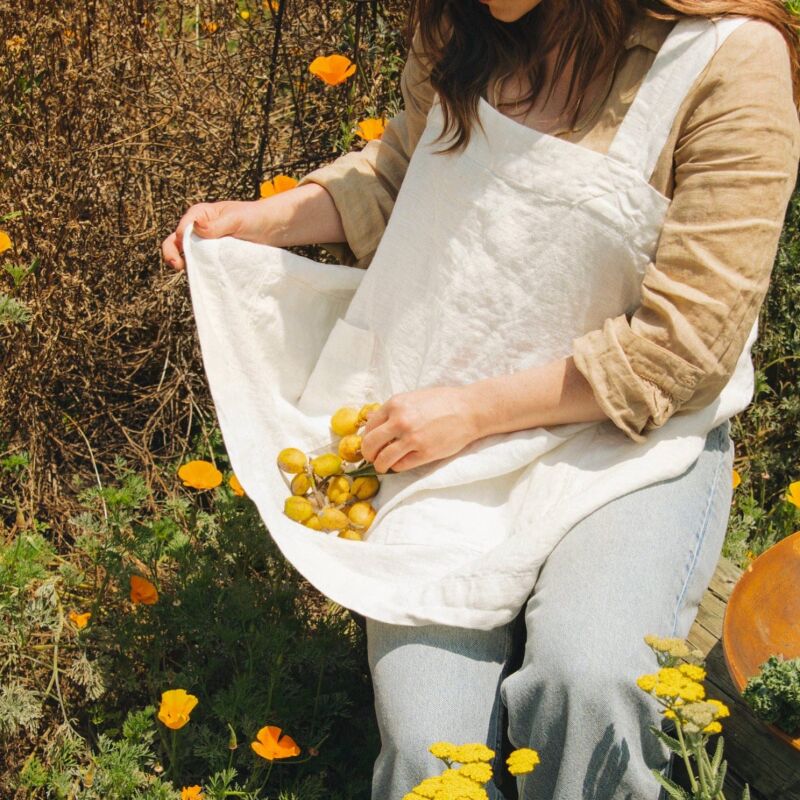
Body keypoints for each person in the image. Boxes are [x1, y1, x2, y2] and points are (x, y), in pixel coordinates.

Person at [163, 1, 800, 797]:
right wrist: (260, 221)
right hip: (447, 446)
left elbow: (683, 349)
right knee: (427, 754)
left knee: (589, 684)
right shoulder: (462, 22)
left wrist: (470, 413)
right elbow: (406, 165)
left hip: (632, 446)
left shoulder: (728, 62)